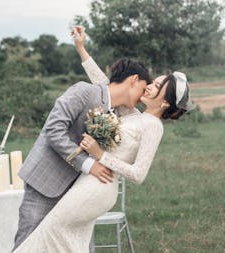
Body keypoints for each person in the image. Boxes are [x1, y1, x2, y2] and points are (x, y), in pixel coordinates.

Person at [13, 26, 192, 252]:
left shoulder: (153, 126)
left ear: (166, 102)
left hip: (98, 184)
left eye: (156, 86)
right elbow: (109, 87)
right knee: (57, 240)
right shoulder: (132, 114)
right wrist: (82, 50)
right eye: (150, 83)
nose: (148, 87)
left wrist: (100, 156)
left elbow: (138, 174)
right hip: (75, 181)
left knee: (50, 237)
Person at [13, 52, 152, 251]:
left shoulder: (119, 115)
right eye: (143, 89)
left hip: (78, 195)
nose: (143, 96)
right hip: (46, 184)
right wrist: (88, 164)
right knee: (29, 245)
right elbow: (53, 130)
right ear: (134, 79)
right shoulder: (84, 91)